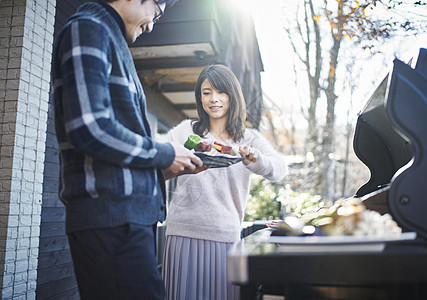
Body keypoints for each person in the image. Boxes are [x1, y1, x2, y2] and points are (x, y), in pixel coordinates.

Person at [51, 0, 203, 299]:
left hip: (123, 219)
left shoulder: (105, 34)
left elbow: (111, 148)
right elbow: (91, 127)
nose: (150, 25)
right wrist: (165, 153)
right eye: (155, 15)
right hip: (112, 220)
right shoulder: (89, 28)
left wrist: (166, 167)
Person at [160, 64, 288, 300]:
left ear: (233, 95)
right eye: (206, 92)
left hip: (225, 237)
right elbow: (157, 158)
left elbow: (280, 169)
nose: (213, 99)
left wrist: (256, 160)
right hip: (182, 234)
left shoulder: (248, 138)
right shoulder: (186, 131)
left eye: (221, 92)